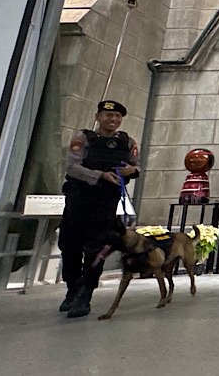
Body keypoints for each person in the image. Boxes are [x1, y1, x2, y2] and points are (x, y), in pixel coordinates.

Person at [58, 100, 141, 318]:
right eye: (108, 116)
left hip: (106, 201)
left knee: (97, 248)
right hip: (79, 198)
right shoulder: (83, 139)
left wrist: (131, 170)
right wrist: (100, 175)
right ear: (98, 117)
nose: (112, 120)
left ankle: (86, 293)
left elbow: (136, 166)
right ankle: (72, 289)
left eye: (117, 117)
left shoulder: (127, 142)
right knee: (70, 245)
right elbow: (72, 166)